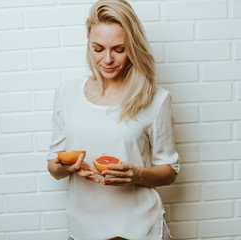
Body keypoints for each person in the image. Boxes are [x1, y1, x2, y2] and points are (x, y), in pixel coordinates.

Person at [47, 0, 180, 239]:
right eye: (98, 48)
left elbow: (170, 171)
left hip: (142, 229)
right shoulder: (66, 93)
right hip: (83, 230)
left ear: (133, 45)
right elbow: (54, 168)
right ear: (87, 38)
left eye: (119, 49)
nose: (107, 59)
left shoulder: (156, 98)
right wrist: (64, 166)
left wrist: (137, 175)